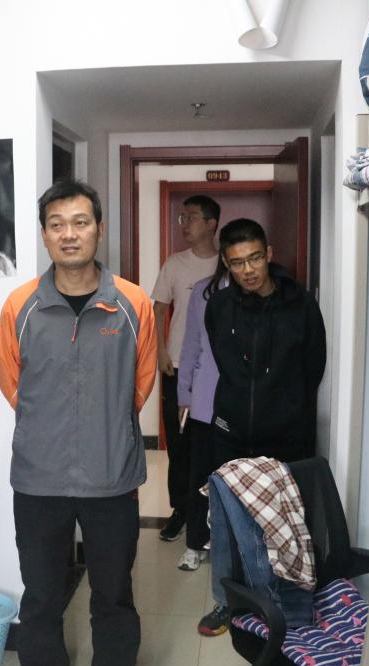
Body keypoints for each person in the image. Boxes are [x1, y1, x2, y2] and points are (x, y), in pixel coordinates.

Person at [0, 179, 156, 666]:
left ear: (99, 230)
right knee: (42, 596)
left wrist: (106, 428)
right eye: (57, 224)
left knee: (113, 595)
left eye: (80, 223)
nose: (69, 234)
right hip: (38, 479)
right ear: (45, 235)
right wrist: (50, 429)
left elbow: (141, 383)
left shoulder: (133, 303)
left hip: (111, 477)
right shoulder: (19, 306)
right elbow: (12, 384)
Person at [198, 217, 326, 636]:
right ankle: (227, 601)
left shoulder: (301, 305)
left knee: (286, 522)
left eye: (254, 258)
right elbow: (224, 361)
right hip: (230, 432)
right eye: (237, 263)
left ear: (269, 254)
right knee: (226, 521)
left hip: (287, 435)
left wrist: (286, 407)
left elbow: (313, 367)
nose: (248, 270)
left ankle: (285, 603)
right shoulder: (219, 306)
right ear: (226, 263)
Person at [150, 196, 220, 556]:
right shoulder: (175, 264)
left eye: (191, 217)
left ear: (211, 224)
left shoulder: (226, 263)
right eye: (182, 217)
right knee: (179, 446)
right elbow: (158, 309)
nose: (184, 224)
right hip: (177, 367)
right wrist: (161, 351)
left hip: (217, 372)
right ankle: (180, 509)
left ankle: (211, 514)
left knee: (212, 445)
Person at [175, 255, 228, 573]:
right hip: (206, 399)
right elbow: (191, 344)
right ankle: (195, 544)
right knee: (200, 476)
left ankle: (230, 547)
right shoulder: (204, 291)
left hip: (243, 406)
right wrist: (185, 393)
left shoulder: (259, 290)